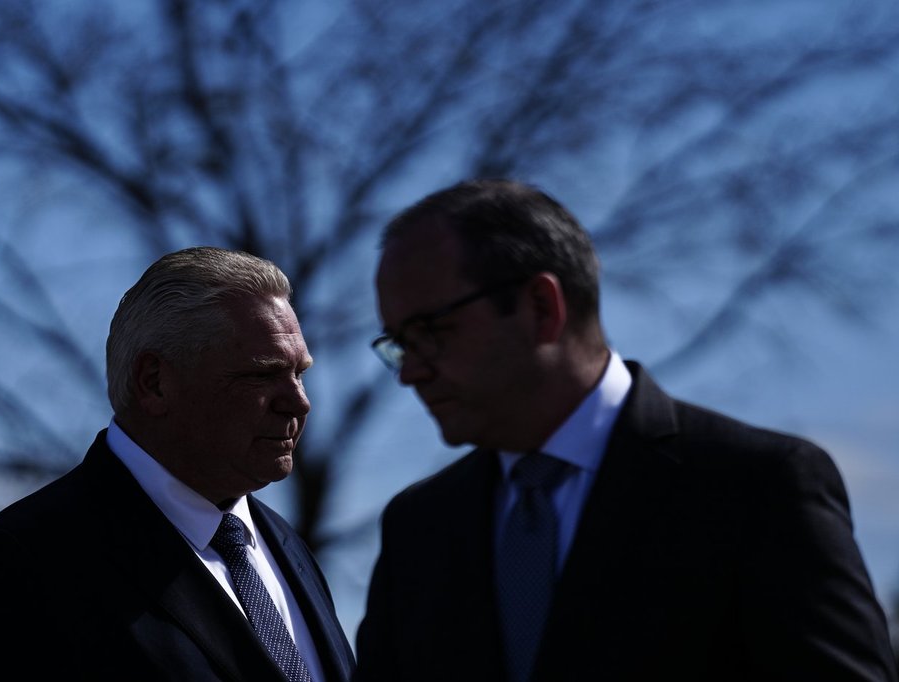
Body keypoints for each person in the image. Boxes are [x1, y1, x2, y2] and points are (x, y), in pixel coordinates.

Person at [354, 179, 897, 682]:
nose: (410, 371)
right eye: (398, 342)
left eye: (430, 331)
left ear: (542, 308)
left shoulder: (755, 487)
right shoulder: (418, 527)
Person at [0, 247, 355, 681]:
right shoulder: (19, 567)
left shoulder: (284, 546)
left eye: (299, 373)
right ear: (155, 382)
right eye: (262, 374)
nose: (299, 402)